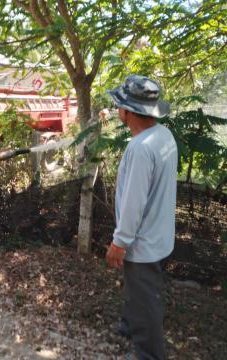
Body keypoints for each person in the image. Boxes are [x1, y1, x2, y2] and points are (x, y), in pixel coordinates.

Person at [105, 75, 178, 360]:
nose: (116, 110)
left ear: (128, 112)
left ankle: (148, 354)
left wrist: (119, 243)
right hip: (159, 234)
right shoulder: (163, 136)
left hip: (142, 242)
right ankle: (128, 325)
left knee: (145, 298)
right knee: (138, 289)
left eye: (118, 106)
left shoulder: (140, 148)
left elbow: (133, 204)